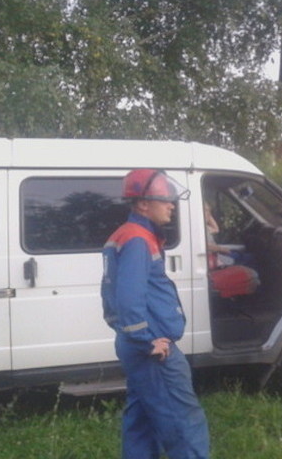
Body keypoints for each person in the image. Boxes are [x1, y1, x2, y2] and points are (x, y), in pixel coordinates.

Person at [101, 169, 210, 459]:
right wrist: (146, 340)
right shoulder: (138, 239)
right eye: (165, 199)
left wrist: (134, 338)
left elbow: (114, 298)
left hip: (137, 347)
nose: (172, 205)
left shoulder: (128, 235)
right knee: (184, 422)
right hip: (153, 351)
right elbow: (128, 299)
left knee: (142, 423)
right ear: (143, 204)